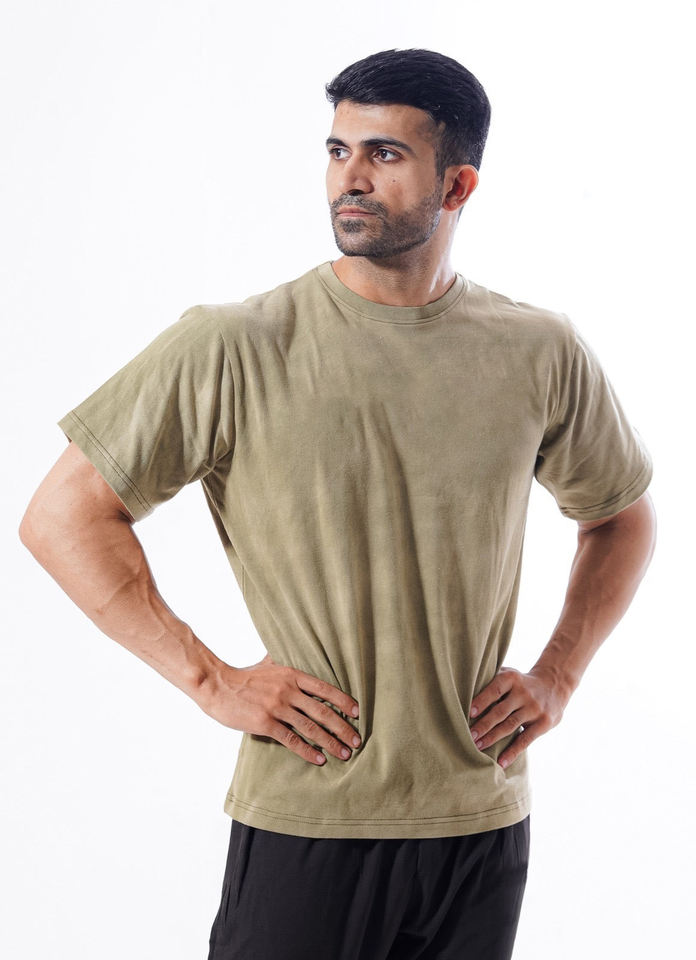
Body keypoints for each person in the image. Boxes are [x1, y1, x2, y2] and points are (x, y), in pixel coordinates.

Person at [19, 47, 657, 960]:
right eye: (337, 150)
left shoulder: (538, 349)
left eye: (384, 155)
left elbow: (621, 516)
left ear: (458, 183)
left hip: (480, 822)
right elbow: (62, 516)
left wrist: (558, 674)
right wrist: (211, 681)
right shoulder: (236, 344)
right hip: (310, 818)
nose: (349, 178)